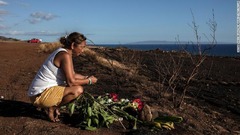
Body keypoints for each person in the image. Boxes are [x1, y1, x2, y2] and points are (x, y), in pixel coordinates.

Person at [28, 32, 98, 122]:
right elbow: (71, 82)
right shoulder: (65, 55)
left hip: (38, 93)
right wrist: (89, 81)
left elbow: (72, 74)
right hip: (39, 96)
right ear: (73, 45)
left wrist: (86, 77)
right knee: (77, 90)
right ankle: (52, 108)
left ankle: (51, 106)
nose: (83, 50)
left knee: (73, 86)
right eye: (82, 47)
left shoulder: (63, 52)